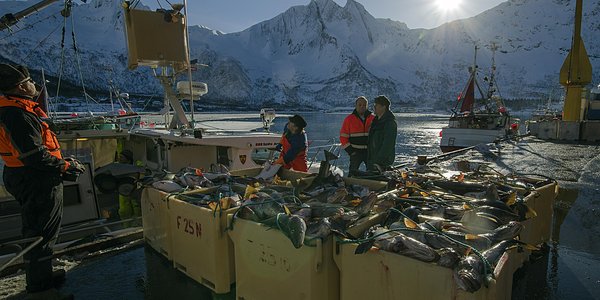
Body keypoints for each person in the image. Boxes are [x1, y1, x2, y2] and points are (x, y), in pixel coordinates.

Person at [0, 63, 84, 300]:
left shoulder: (15, 109)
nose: (34, 85)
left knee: (41, 231)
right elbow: (33, 155)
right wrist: (66, 166)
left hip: (30, 176)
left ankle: (42, 277)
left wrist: (61, 161)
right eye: (29, 81)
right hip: (35, 179)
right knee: (40, 234)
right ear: (20, 87)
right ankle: (40, 291)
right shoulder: (16, 114)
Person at [339, 96, 374, 176]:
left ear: (367, 106)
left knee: (372, 174)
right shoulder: (349, 119)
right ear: (356, 106)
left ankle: (370, 187)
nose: (362, 106)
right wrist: (351, 152)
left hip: (369, 153)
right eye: (360, 105)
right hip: (355, 153)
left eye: (364, 105)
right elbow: (343, 137)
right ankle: (349, 187)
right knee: (352, 174)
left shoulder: (373, 118)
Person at [367, 95, 397, 172]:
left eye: (376, 105)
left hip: (382, 163)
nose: (374, 107)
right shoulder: (375, 121)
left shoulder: (389, 123)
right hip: (373, 160)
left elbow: (388, 144)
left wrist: (378, 161)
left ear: (383, 107)